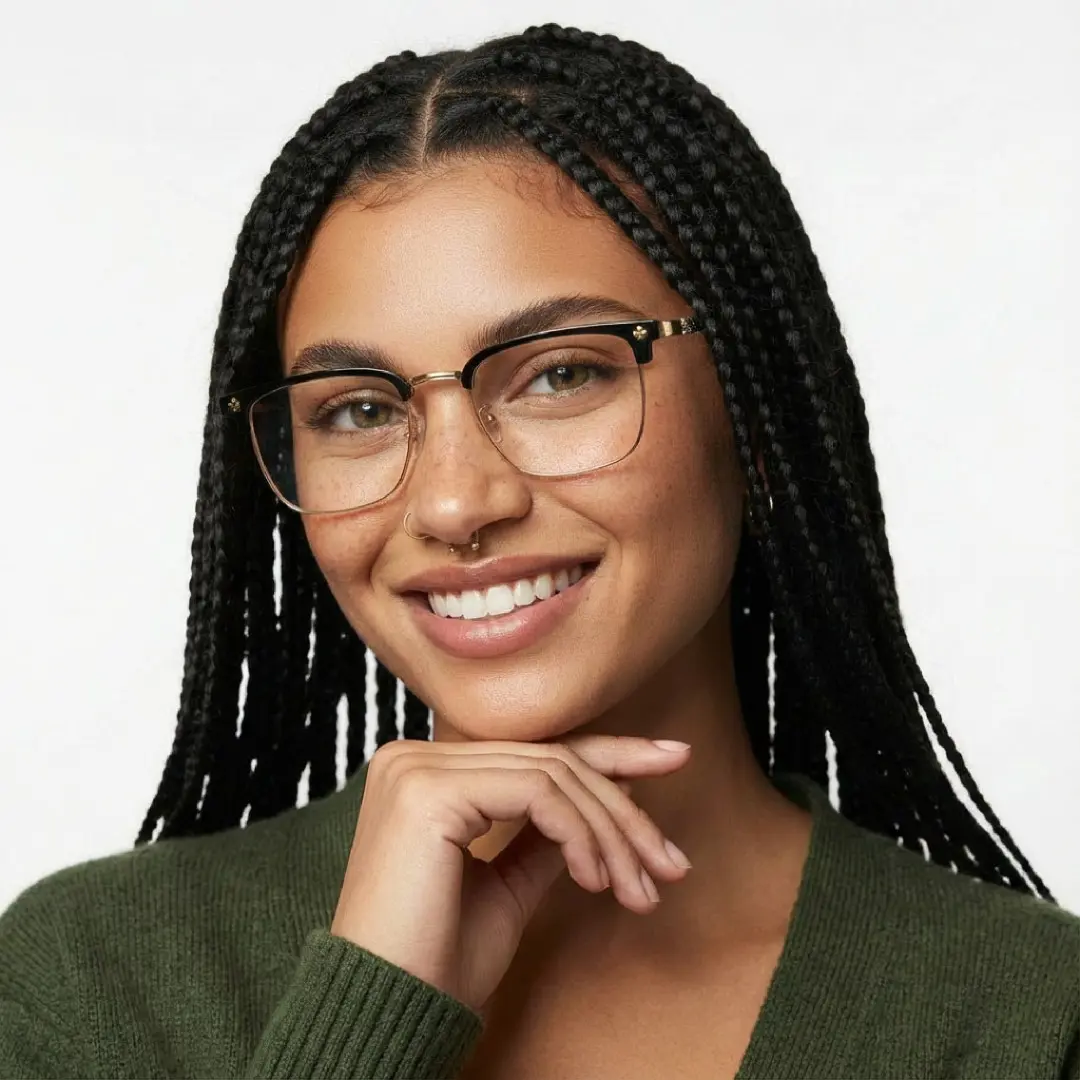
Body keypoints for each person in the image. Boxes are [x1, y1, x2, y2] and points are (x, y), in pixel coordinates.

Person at [1, 22, 1077, 1080]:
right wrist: (364, 1018)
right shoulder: (96, 985)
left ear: (754, 409)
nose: (457, 503)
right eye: (360, 409)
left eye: (561, 374)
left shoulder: (1028, 1020)